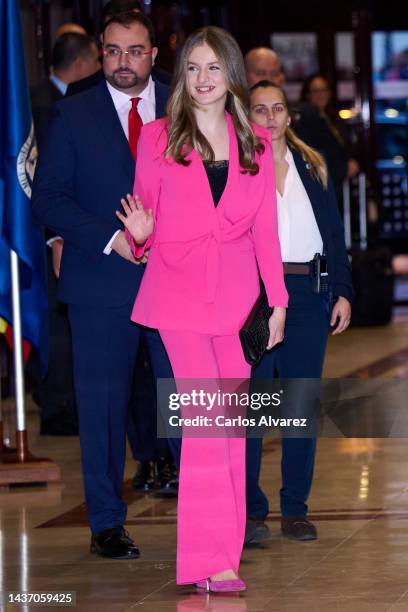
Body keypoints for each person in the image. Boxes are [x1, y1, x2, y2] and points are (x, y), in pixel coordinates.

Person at [117, 26, 288, 592]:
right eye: (192, 68)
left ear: (231, 75)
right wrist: (139, 235)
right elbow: (145, 220)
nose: (202, 79)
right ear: (181, 76)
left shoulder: (257, 145)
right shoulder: (161, 138)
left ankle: (226, 555)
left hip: (240, 307)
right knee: (205, 426)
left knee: (230, 429)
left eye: (213, 67)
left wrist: (278, 301)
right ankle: (207, 561)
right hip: (179, 299)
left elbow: (265, 232)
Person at [32, 10, 180, 559]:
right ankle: (106, 525)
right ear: (101, 52)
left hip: (178, 282)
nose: (124, 62)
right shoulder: (73, 114)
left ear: (153, 54)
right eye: (114, 51)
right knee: (102, 409)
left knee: (188, 402)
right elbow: (48, 198)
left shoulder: (185, 102)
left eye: (135, 51)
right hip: (101, 283)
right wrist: (108, 238)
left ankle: (210, 513)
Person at [245, 81, 353, 544]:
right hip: (255, 296)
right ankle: (250, 512)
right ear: (245, 118)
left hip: (309, 293)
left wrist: (342, 290)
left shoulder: (312, 165)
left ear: (289, 116)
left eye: (277, 109)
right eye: (260, 110)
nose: (270, 118)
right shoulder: (236, 169)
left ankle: (295, 510)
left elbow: (333, 232)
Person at [31, 32, 100, 436]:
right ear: (81, 64)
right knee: (54, 325)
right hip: (46, 236)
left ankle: (65, 401)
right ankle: (57, 405)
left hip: (74, 230)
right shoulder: (40, 105)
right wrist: (55, 237)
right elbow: (38, 176)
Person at [244, 47, 349, 205]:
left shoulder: (306, 117)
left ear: (282, 78)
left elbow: (336, 164)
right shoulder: (229, 123)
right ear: (243, 76)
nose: (267, 79)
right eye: (260, 73)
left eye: (274, 73)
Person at [300, 73, 360, 199]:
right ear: (308, 94)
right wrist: (344, 169)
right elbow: (315, 153)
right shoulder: (306, 119)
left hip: (340, 184)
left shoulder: (333, 118)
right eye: (315, 91)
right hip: (322, 184)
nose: (320, 94)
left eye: (324, 90)